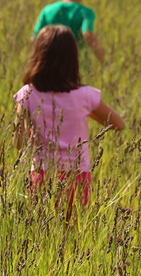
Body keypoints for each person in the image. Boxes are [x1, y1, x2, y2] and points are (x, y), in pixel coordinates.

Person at [14, 25, 124, 219]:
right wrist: (88, 112)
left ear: (38, 56)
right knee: (72, 237)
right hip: (77, 177)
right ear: (73, 60)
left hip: (42, 174)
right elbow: (118, 124)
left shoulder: (28, 93)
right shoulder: (85, 96)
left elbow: (18, 143)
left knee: (43, 233)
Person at [32, 0, 105, 64]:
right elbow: (88, 34)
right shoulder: (86, 13)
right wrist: (104, 62)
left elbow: (35, 39)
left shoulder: (47, 10)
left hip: (50, 67)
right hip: (77, 67)